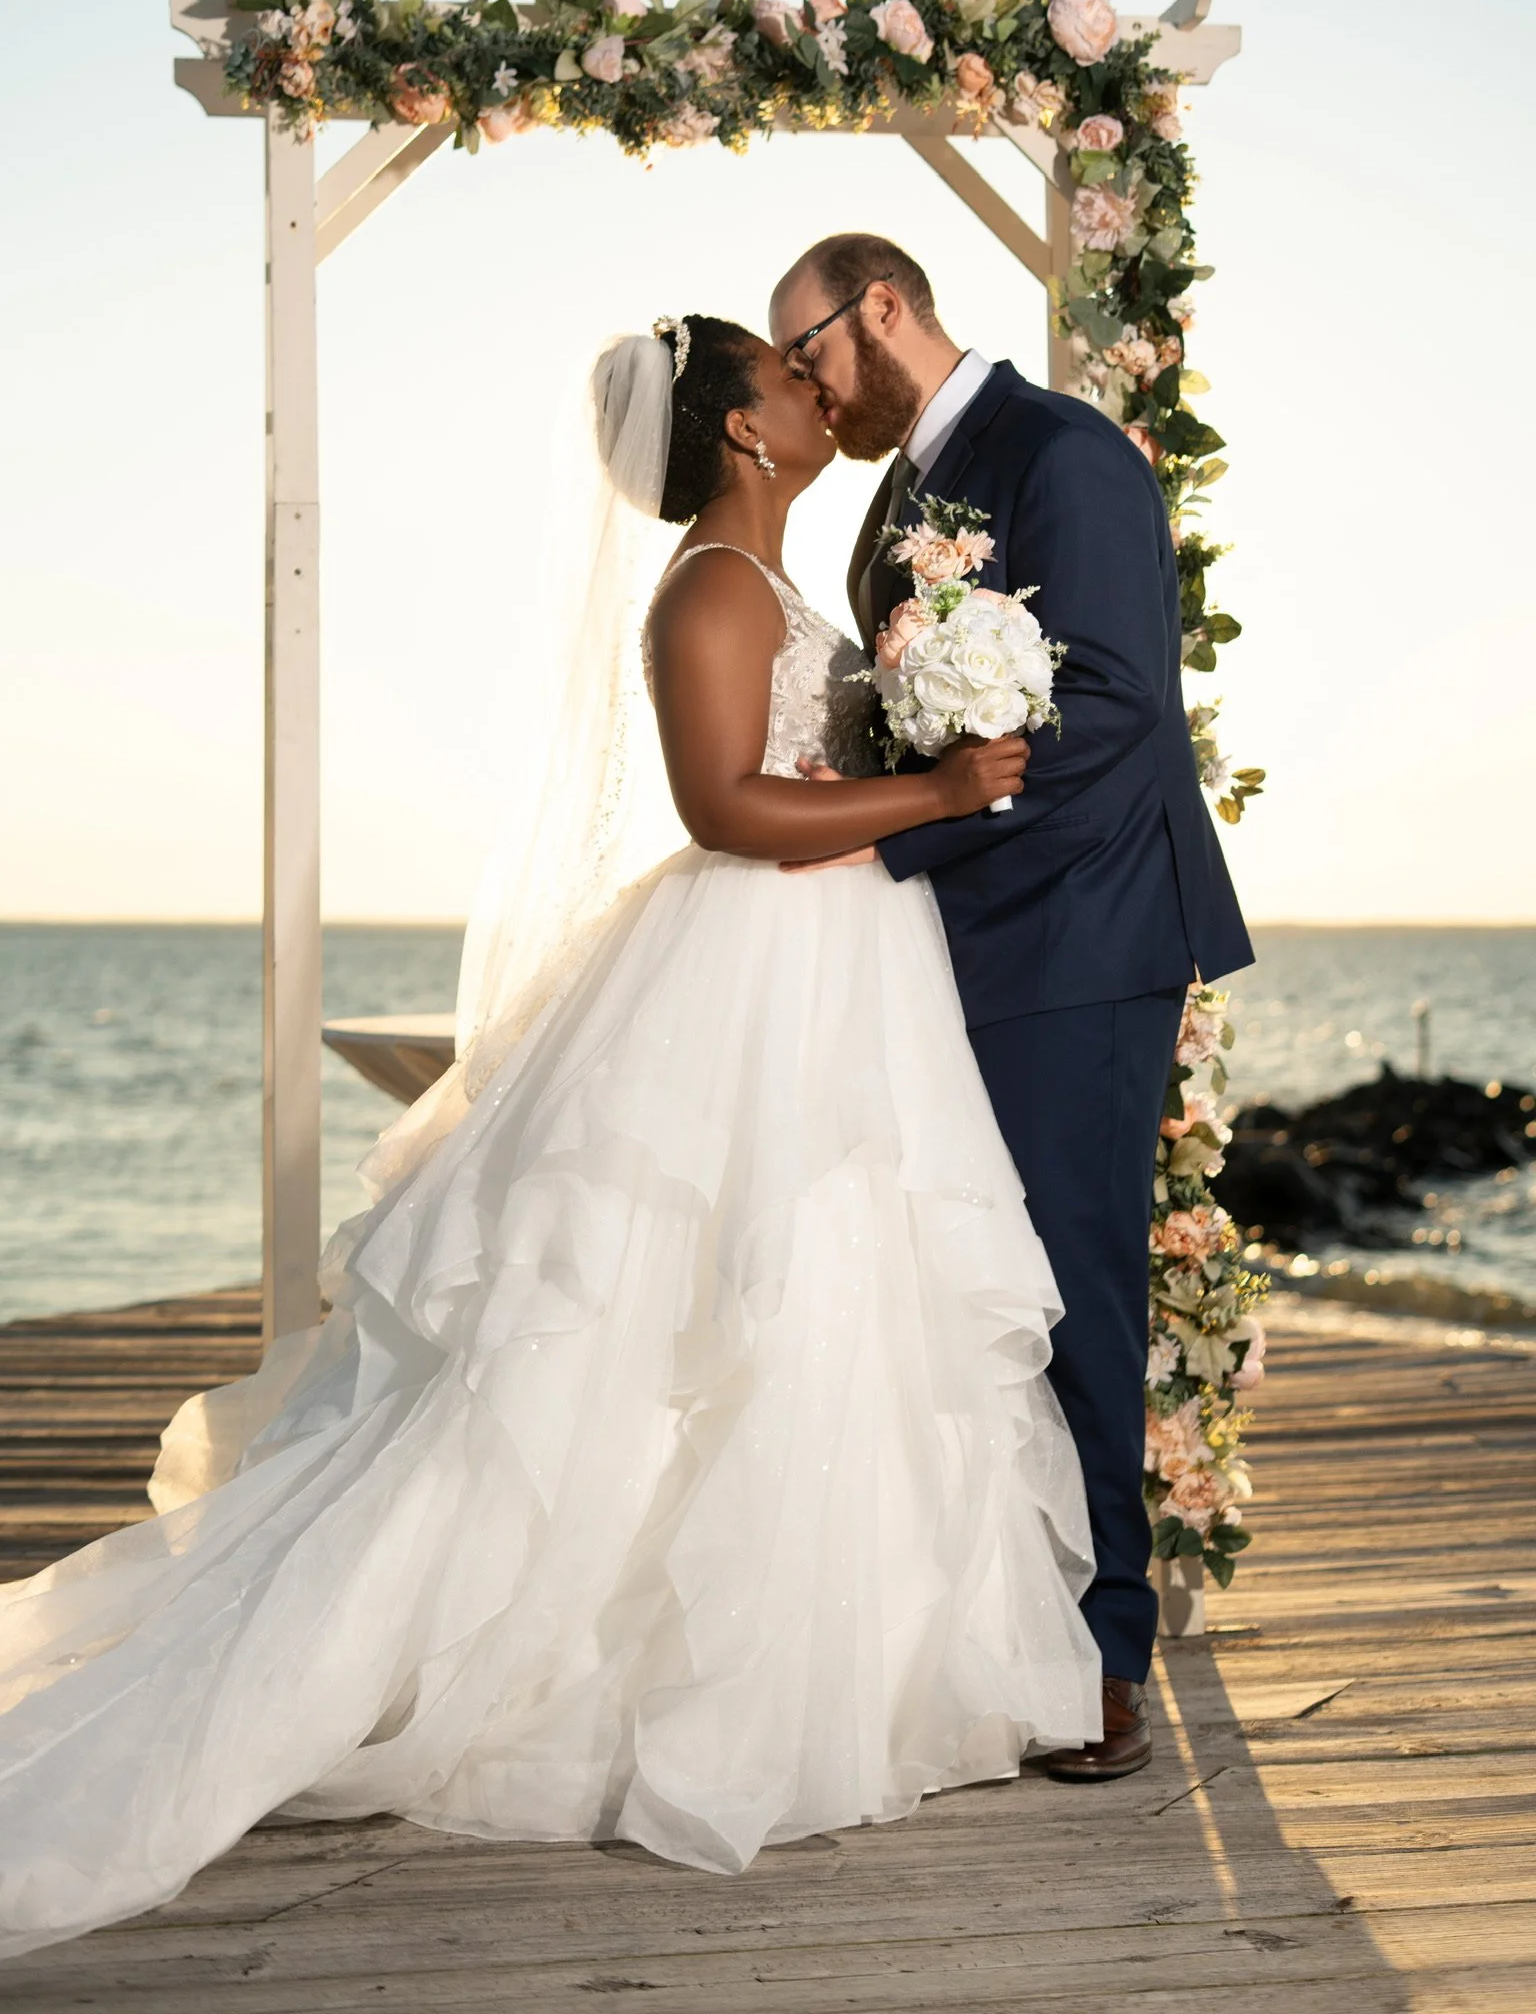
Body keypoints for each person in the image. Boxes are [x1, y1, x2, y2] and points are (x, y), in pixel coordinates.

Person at [0, 313, 1101, 1961]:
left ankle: (845, 1662)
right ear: (739, 428)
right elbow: (727, 807)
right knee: (683, 1306)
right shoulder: (716, 592)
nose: (821, 392)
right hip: (758, 969)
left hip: (841, 969)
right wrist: (940, 798)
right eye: (791, 378)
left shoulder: (787, 587)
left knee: (822, 1302)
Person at [769, 236, 1254, 1781]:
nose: (804, 386)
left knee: (1084, 1284)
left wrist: (897, 834)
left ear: (885, 309)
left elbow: (1111, 708)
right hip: (962, 940)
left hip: (1083, 932)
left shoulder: (1062, 450)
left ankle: (1109, 1651)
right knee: (980, 1285)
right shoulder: (889, 509)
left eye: (813, 353)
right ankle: (1004, 1616)